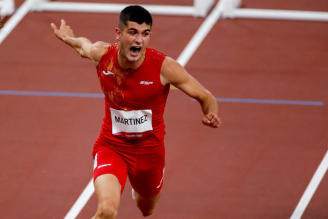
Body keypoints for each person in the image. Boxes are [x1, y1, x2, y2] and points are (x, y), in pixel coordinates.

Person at [51, 5, 221, 219]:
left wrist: (210, 113)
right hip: (112, 147)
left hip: (150, 154)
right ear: (118, 33)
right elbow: (83, 46)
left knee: (146, 210)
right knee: (106, 210)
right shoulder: (103, 55)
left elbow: (206, 96)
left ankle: (139, 188)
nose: (139, 40)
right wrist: (69, 38)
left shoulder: (164, 67)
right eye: (133, 32)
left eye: (145, 34)